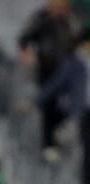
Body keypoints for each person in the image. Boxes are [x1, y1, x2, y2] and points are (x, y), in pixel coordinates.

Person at [20, 0, 82, 153]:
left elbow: (77, 39)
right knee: (48, 105)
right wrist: (26, 51)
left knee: (67, 103)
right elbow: (26, 36)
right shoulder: (41, 18)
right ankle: (48, 143)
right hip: (47, 68)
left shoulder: (69, 19)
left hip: (66, 68)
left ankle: (62, 132)